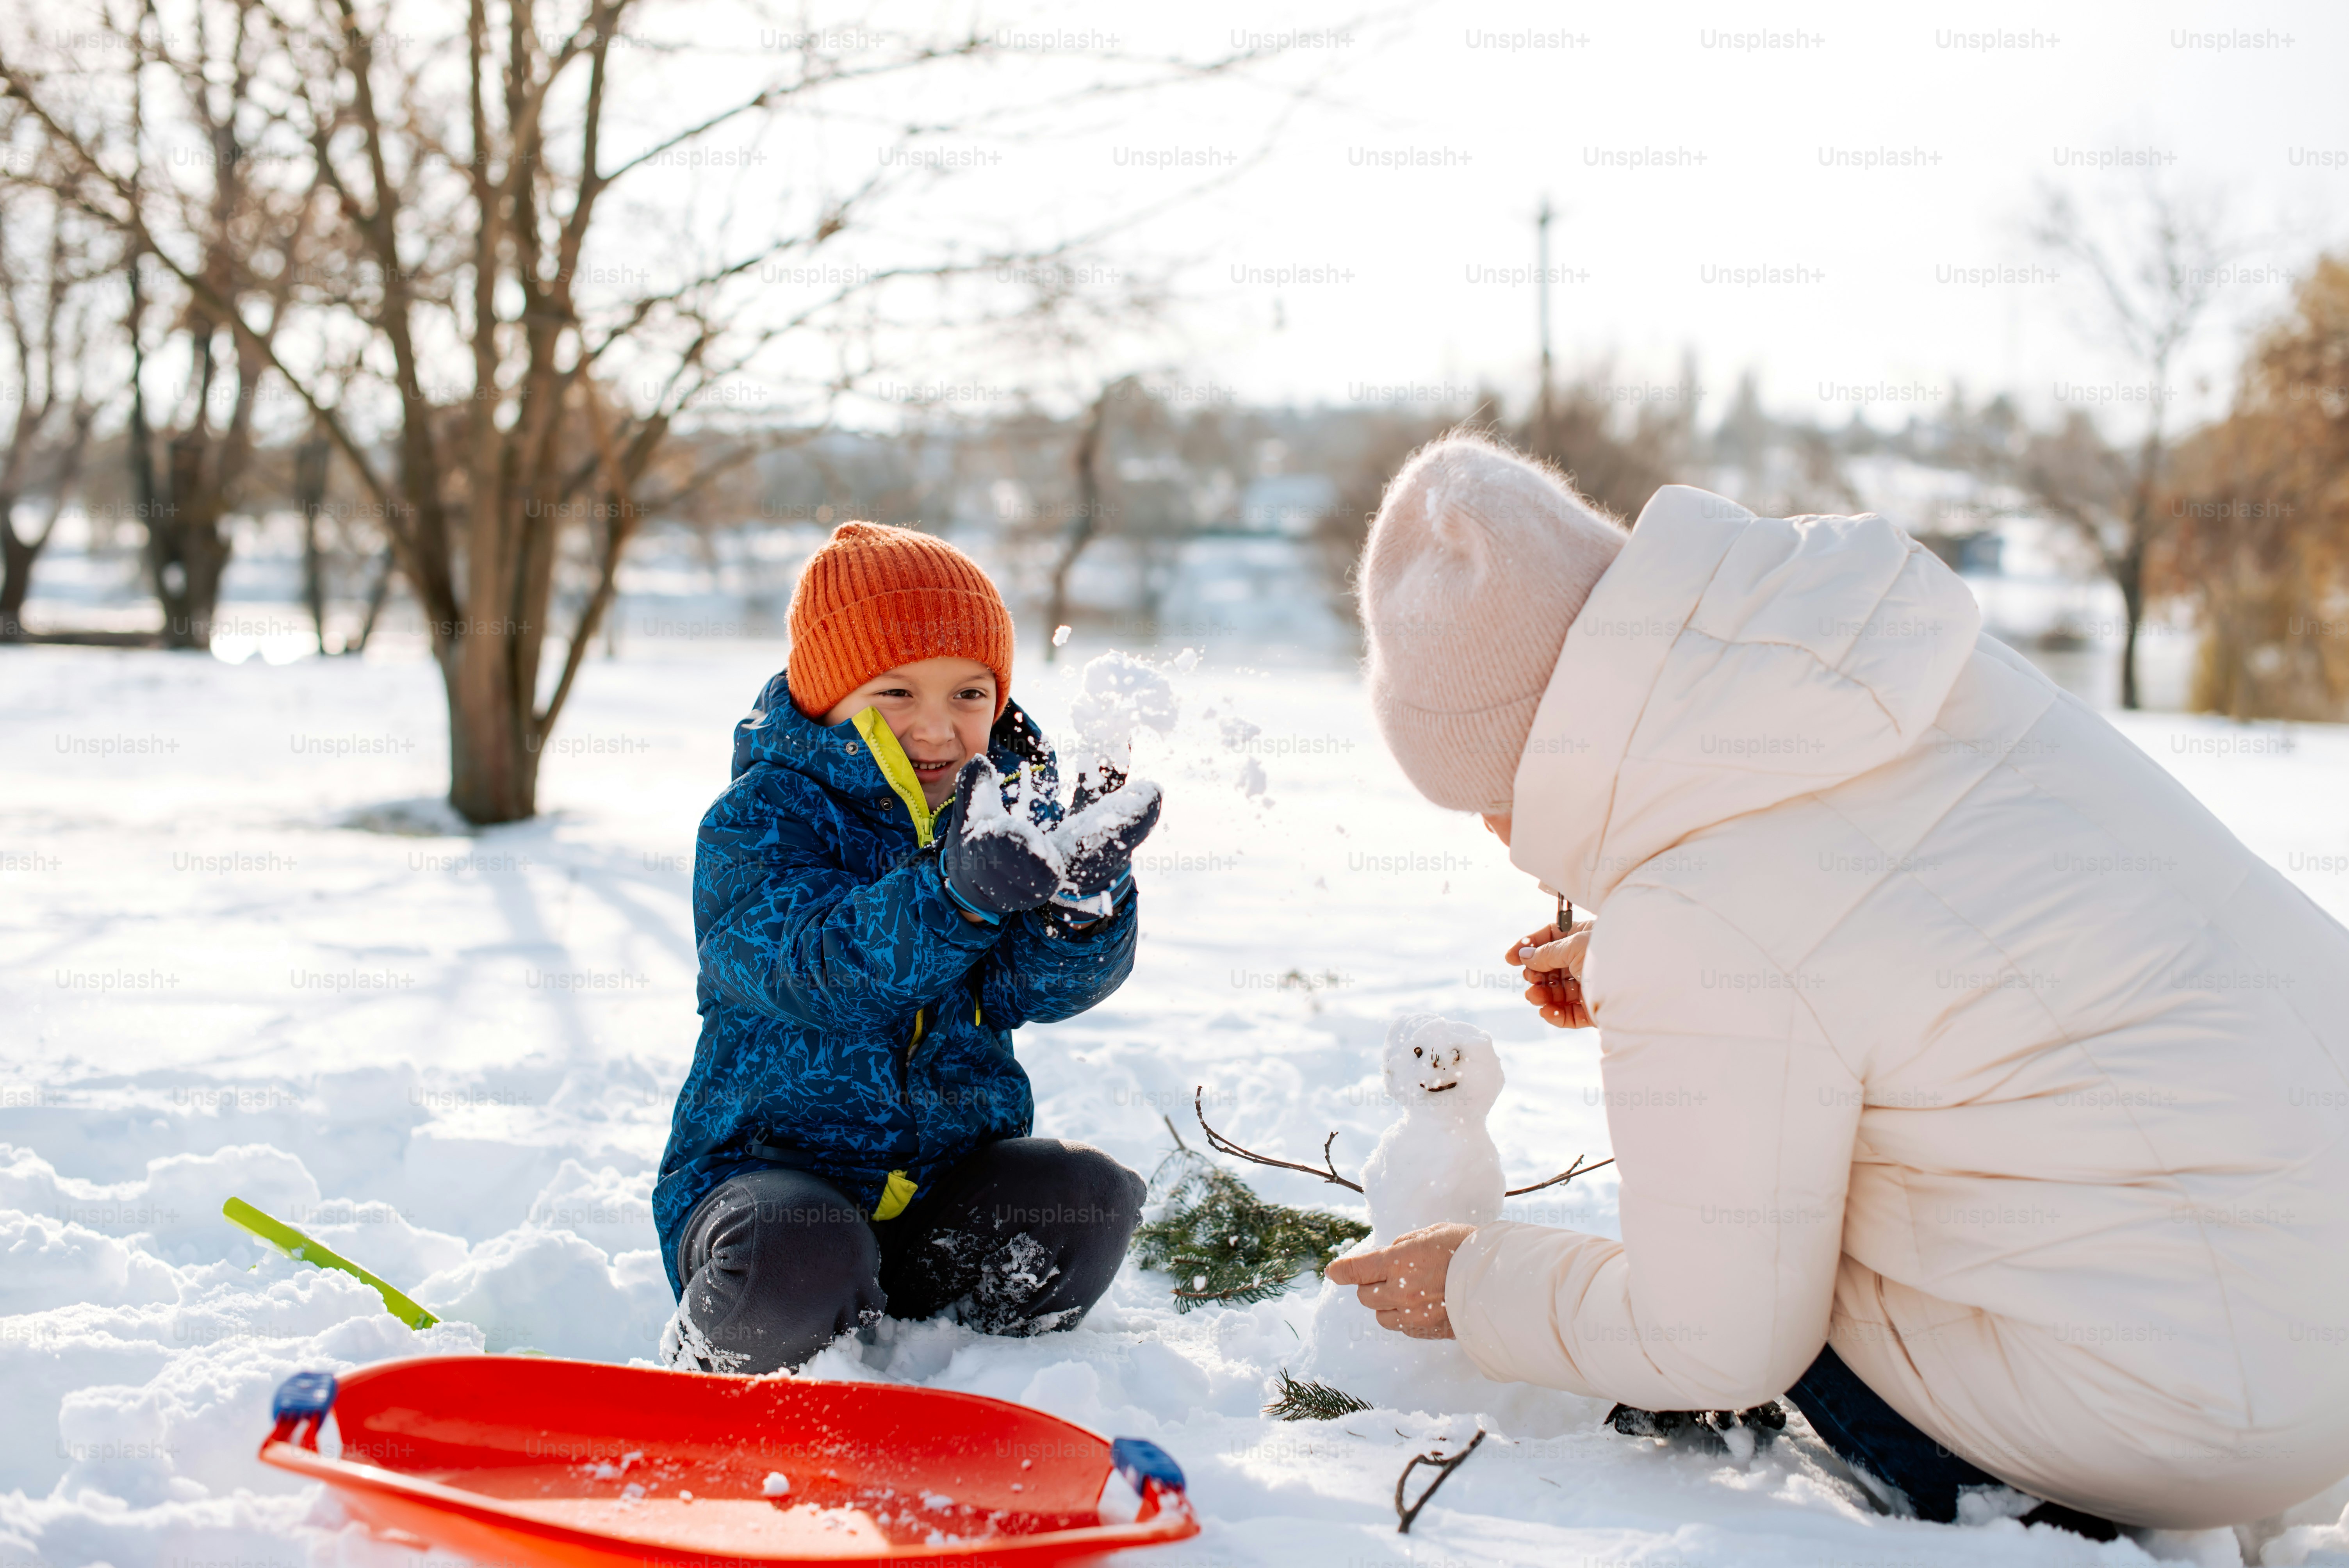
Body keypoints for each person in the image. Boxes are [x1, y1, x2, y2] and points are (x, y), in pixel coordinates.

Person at [1327, 433, 2349, 1536]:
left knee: (1771, 1264)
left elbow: (1713, 1340)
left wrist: (1479, 1283)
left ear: (1533, 755)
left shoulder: (1702, 916)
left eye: (1484, 801)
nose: (1496, 838)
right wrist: (1655, 966)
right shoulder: (1887, 672)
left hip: (2200, 1419)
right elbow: (1913, 938)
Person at [652, 521, 1159, 1374]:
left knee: (1088, 1199)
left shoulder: (1005, 813)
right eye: (895, 693)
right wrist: (953, 895)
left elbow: (1023, 990)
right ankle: (721, 1355)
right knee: (798, 1260)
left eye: (969, 695)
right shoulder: (759, 821)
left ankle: (965, 1365)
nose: (939, 727)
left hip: (945, 1189)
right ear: (828, 694)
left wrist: (1078, 906)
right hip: (773, 1193)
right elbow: (823, 970)